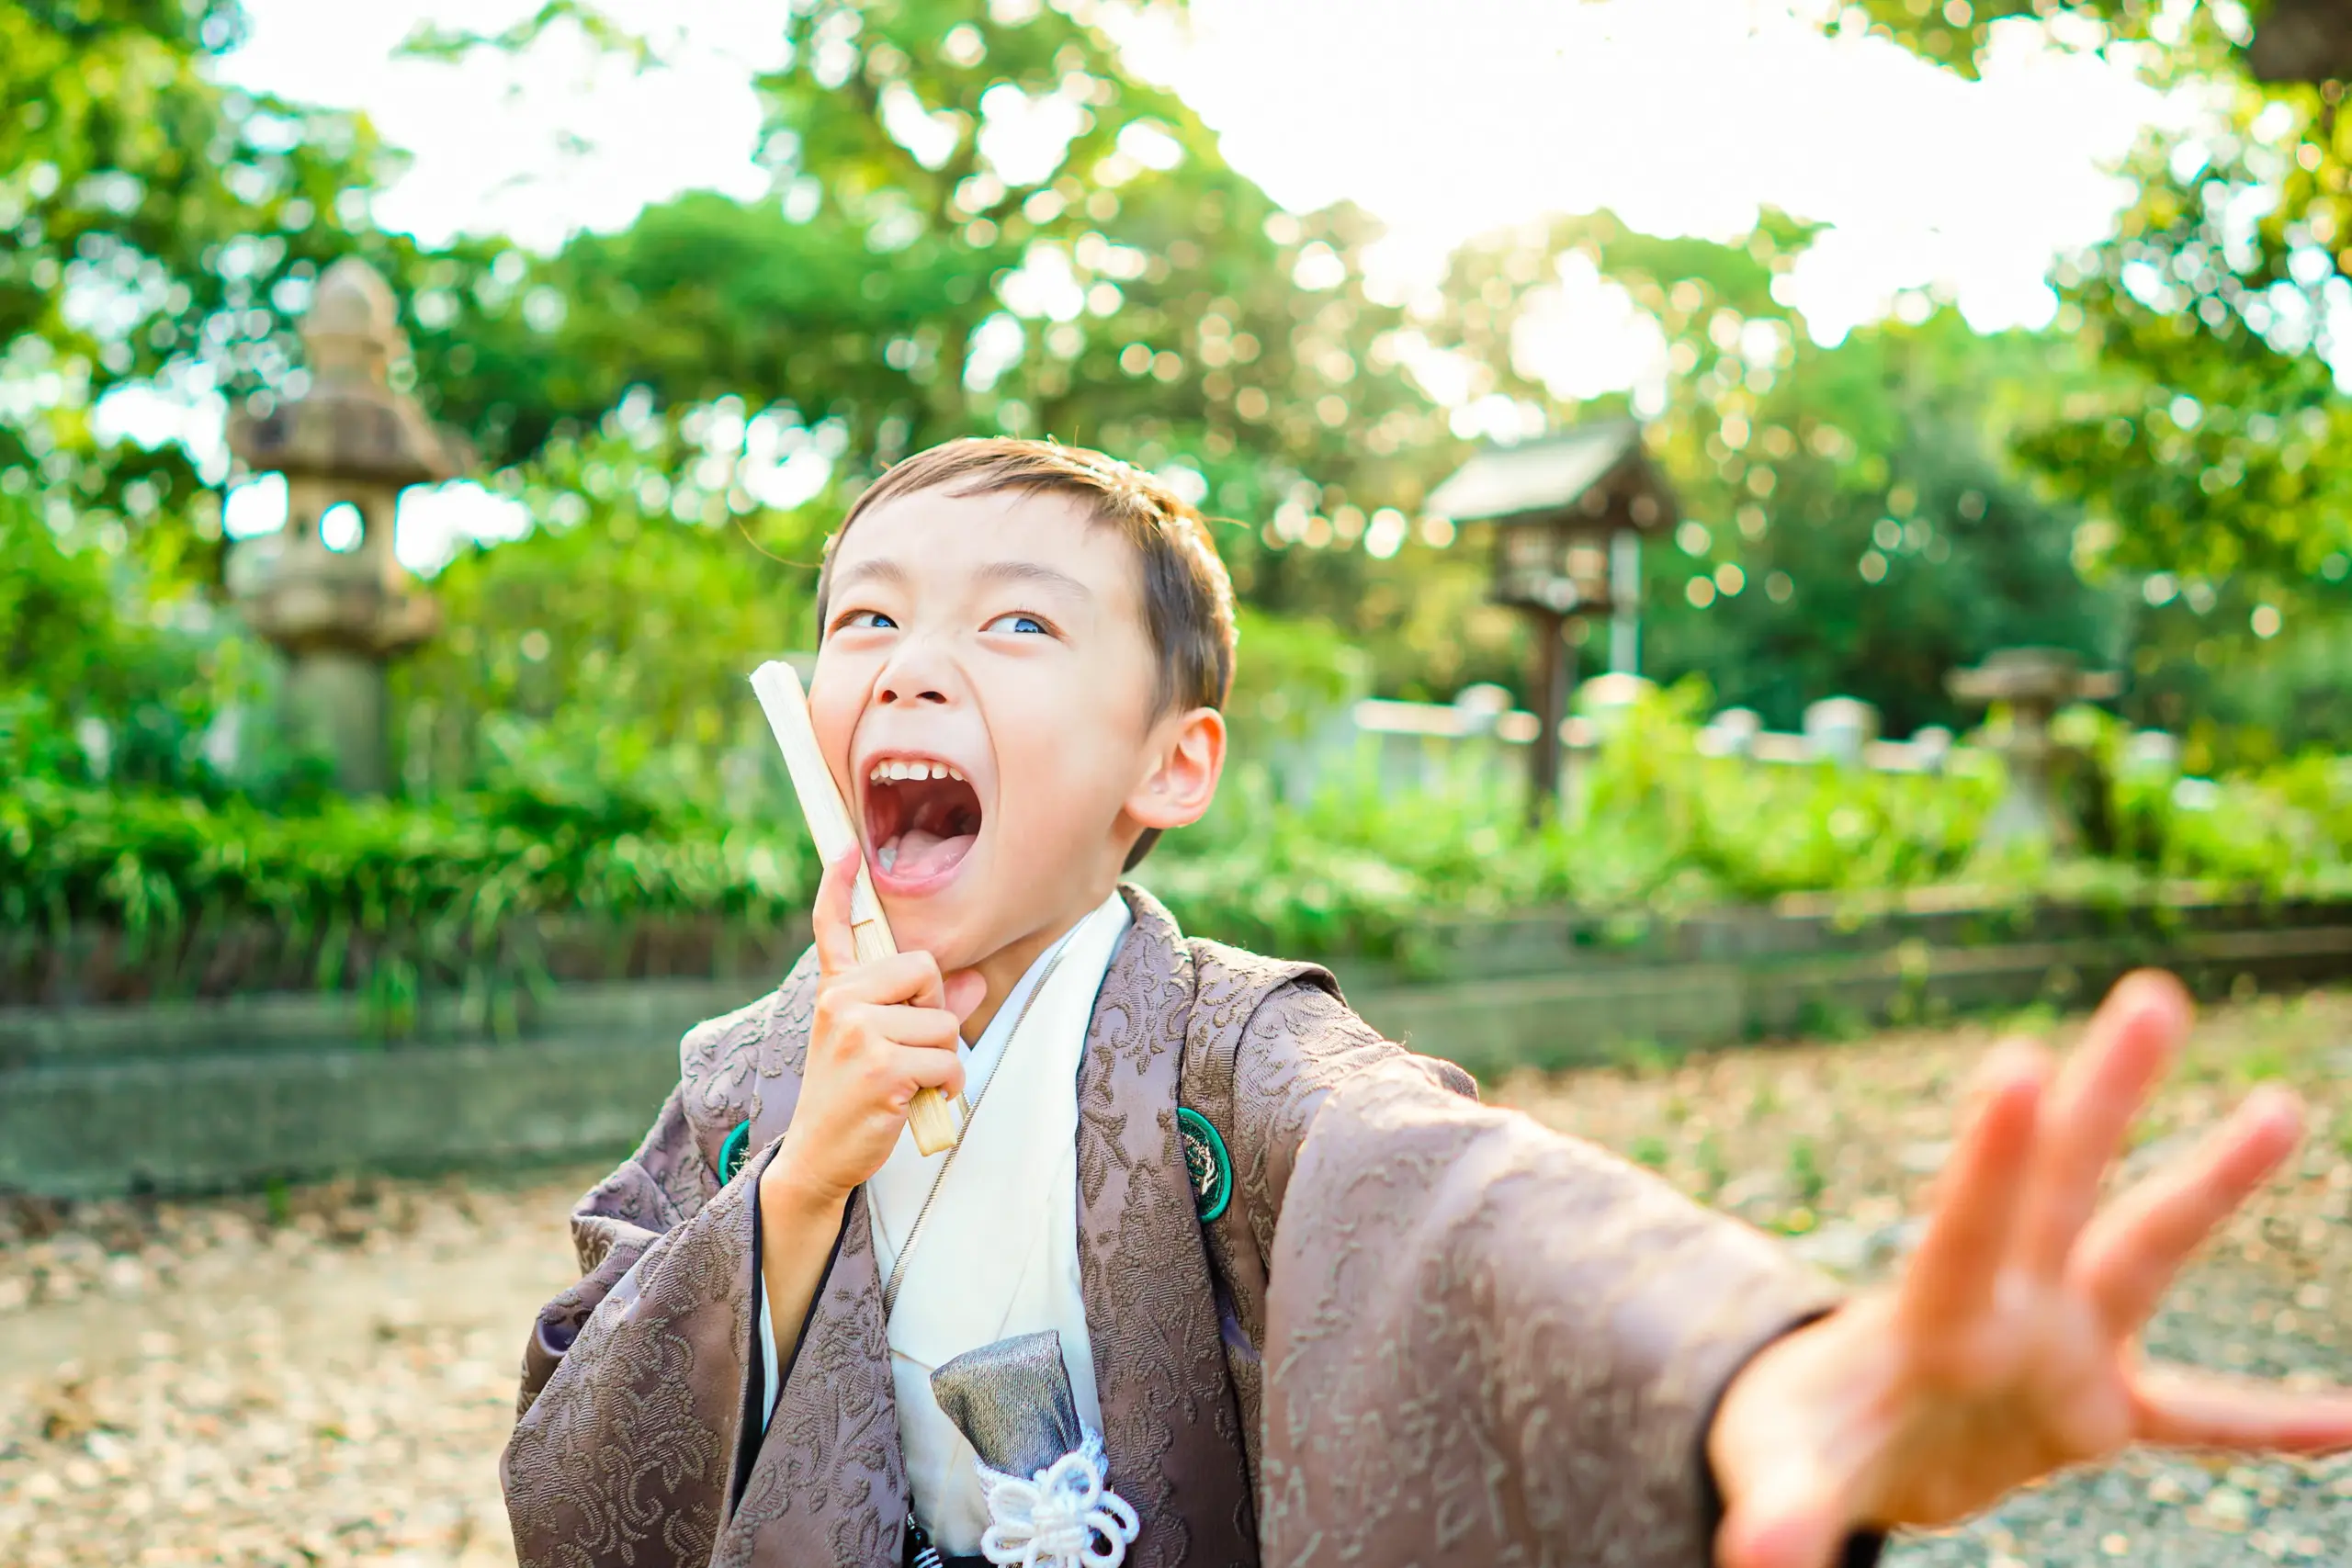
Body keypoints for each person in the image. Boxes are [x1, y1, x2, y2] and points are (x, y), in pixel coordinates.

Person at [501, 438, 2352, 1568]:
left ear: (1175, 759)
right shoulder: (739, 1085)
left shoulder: (1227, 1056)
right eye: (864, 620)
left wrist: (1754, 1367)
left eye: (1016, 624)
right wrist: (794, 1192)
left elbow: (1451, 1193)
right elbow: (578, 1467)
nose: (909, 664)